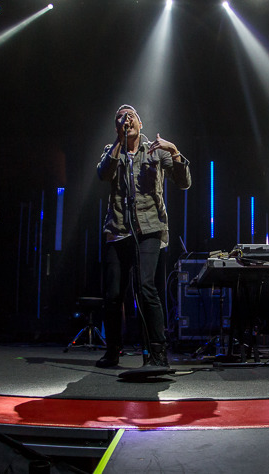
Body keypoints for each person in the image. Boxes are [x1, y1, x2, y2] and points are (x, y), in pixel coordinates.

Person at [95, 105, 191, 369]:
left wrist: (174, 151)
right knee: (113, 294)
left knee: (145, 287)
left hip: (149, 229)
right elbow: (103, 173)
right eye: (121, 118)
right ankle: (113, 350)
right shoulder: (111, 151)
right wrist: (119, 140)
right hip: (117, 230)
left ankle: (158, 354)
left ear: (141, 123)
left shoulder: (156, 151)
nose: (128, 120)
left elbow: (184, 183)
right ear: (117, 127)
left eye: (132, 116)